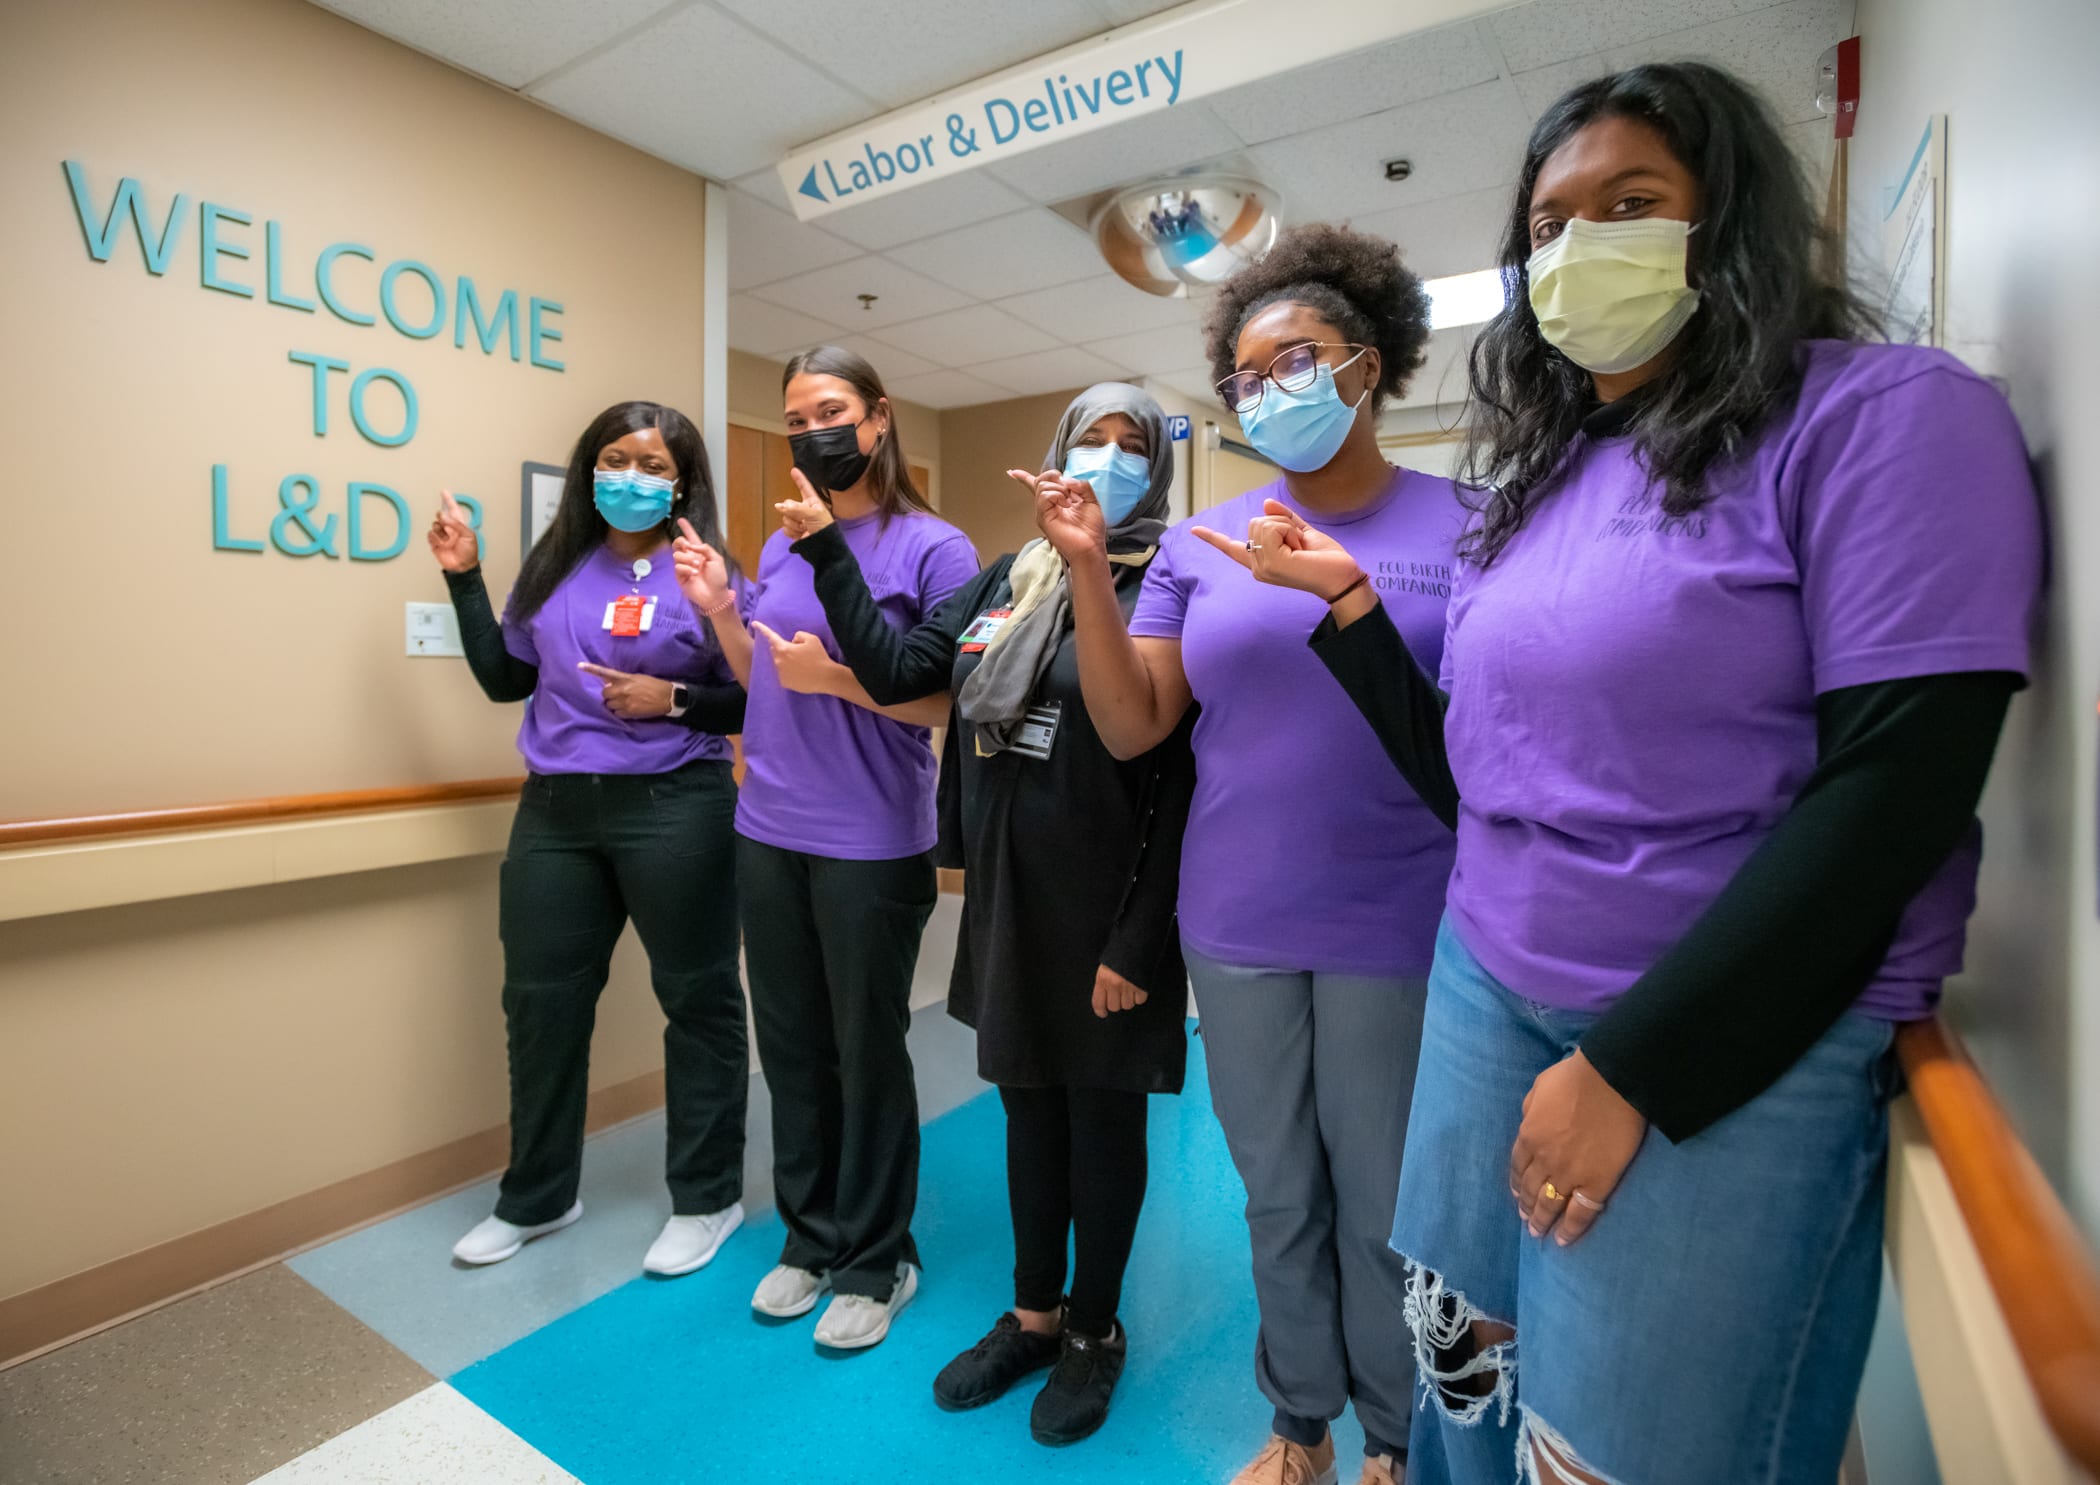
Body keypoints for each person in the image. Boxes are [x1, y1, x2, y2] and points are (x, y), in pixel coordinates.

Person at [1198, 63, 2043, 1485]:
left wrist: (1639, 1065)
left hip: (1719, 1036)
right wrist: (1352, 612)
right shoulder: (1538, 484)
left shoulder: (1884, 417)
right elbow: (1482, 776)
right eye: (1548, 223)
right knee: (1462, 1378)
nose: (1578, 245)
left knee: (1605, 1454)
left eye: (1631, 202)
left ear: (1726, 225)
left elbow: (1897, 789)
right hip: (1480, 986)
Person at [1038, 226, 1460, 1485]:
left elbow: (1489, 739)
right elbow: (1132, 723)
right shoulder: (1197, 544)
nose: (1267, 389)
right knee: (1276, 1197)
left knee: (1388, 1208)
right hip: (1238, 922)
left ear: (1366, 366)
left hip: (1406, 920)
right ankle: (1300, 1428)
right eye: (1245, 374)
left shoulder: (1471, 522)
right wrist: (1087, 581)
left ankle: (1396, 1439)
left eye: (1298, 360)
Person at [780, 382, 1195, 1445]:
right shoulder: (1014, 575)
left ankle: (1097, 1332)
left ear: (1159, 467)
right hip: (1015, 899)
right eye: (1090, 439)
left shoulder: (1170, 581)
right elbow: (902, 672)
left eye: (1130, 445)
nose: (1108, 459)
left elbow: (1177, 776)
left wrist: (1141, 939)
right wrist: (831, 551)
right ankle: (1035, 1315)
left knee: (1102, 1124)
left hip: (1114, 911)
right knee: (1026, 1116)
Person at [671, 345, 978, 1352]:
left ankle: (877, 1258)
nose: (813, 431)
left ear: (880, 419)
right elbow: (764, 672)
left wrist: (840, 683)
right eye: (797, 417)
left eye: (831, 410)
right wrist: (724, 608)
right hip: (770, 828)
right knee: (794, 1050)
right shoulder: (785, 543)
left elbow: (945, 699)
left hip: (872, 841)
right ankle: (808, 1239)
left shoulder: (937, 549)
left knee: (865, 1050)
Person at [430, 400, 752, 1280]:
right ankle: (537, 1196)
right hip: (557, 813)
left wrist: (672, 699)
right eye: (616, 459)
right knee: (539, 1005)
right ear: (588, 468)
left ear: (683, 480)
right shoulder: (557, 565)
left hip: (676, 804)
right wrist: (466, 577)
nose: (632, 478)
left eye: (654, 465)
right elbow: (507, 679)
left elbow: (761, 697)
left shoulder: (708, 569)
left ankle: (707, 1197)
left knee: (699, 1001)